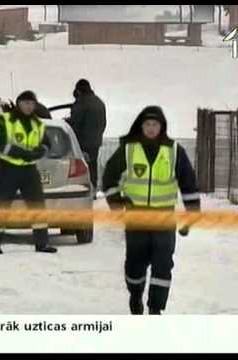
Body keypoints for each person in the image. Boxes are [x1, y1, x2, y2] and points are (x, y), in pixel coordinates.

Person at [101, 106, 200, 315]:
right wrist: (117, 205)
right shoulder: (129, 149)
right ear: (141, 126)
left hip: (164, 218)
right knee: (135, 266)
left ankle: (156, 308)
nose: (151, 128)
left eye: (155, 124)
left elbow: (188, 183)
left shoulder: (174, 150)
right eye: (147, 124)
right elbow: (109, 178)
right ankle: (135, 294)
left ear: (162, 126)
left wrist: (192, 212)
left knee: (163, 265)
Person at [0, 90, 57, 255]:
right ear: (19, 104)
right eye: (25, 103)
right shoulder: (5, 120)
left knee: (38, 206)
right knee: (2, 206)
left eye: (31, 103)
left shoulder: (38, 124)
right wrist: (21, 152)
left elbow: (47, 144)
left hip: (29, 170)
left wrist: (40, 152)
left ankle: (42, 243)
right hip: (7, 169)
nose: (28, 106)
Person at [66, 79, 106, 194]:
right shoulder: (99, 102)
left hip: (82, 143)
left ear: (78, 91)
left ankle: (82, 190)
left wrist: (67, 122)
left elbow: (75, 123)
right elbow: (103, 123)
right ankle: (92, 189)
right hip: (96, 141)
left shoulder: (81, 103)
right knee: (92, 166)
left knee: (80, 168)